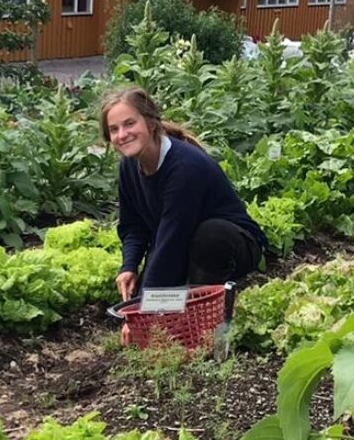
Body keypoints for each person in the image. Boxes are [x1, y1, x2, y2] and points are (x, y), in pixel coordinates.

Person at [98, 86, 267, 301]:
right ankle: (176, 309)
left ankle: (204, 310)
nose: (122, 135)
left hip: (233, 244)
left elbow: (171, 242)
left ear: (151, 123)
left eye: (130, 123)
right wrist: (129, 266)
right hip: (183, 239)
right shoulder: (129, 166)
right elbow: (134, 226)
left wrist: (144, 308)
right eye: (114, 129)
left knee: (209, 237)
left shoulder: (184, 167)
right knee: (158, 290)